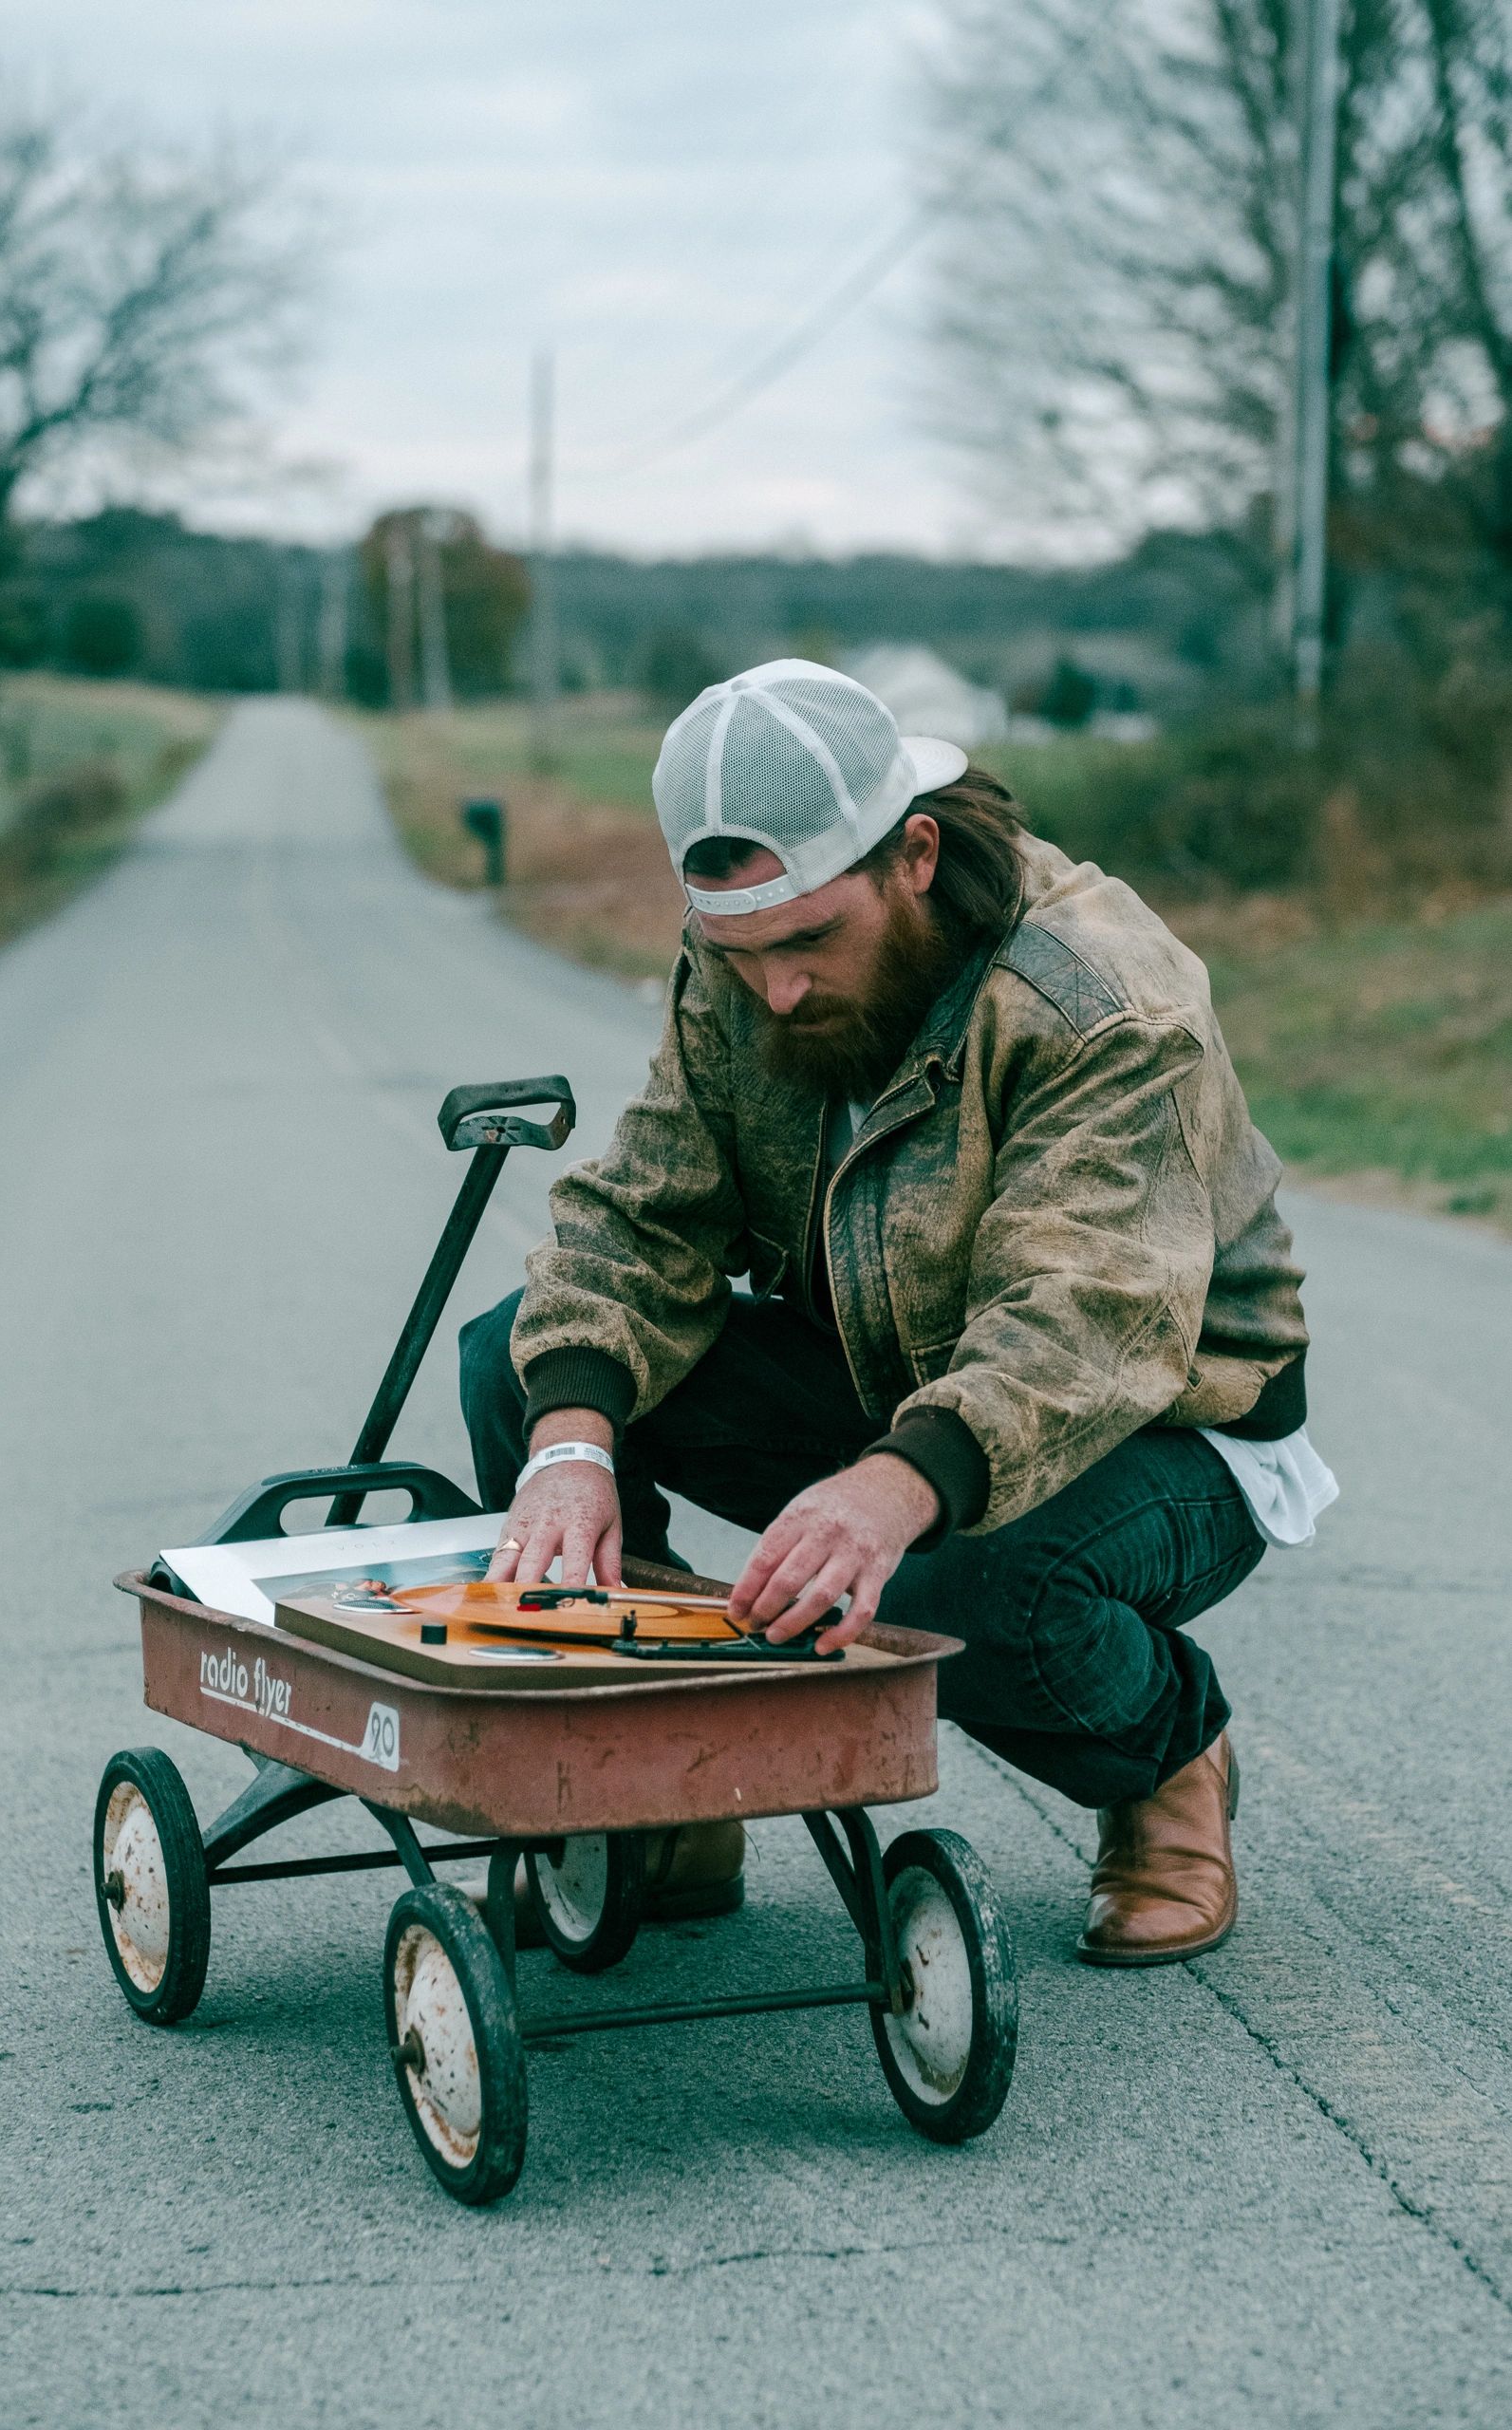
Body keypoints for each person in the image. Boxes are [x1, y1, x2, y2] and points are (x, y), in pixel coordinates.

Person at [459, 661, 1336, 1964]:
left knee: (964, 1590)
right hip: (887, 1374)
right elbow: (645, 1217)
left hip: (1159, 1420)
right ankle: (664, 1790)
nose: (776, 993)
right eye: (737, 954)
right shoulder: (745, 959)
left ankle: (1165, 1762)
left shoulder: (1097, 997)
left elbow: (1083, 1314)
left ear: (913, 853)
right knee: (526, 1372)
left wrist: (891, 1487)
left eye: (809, 943)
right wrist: (573, 1447)